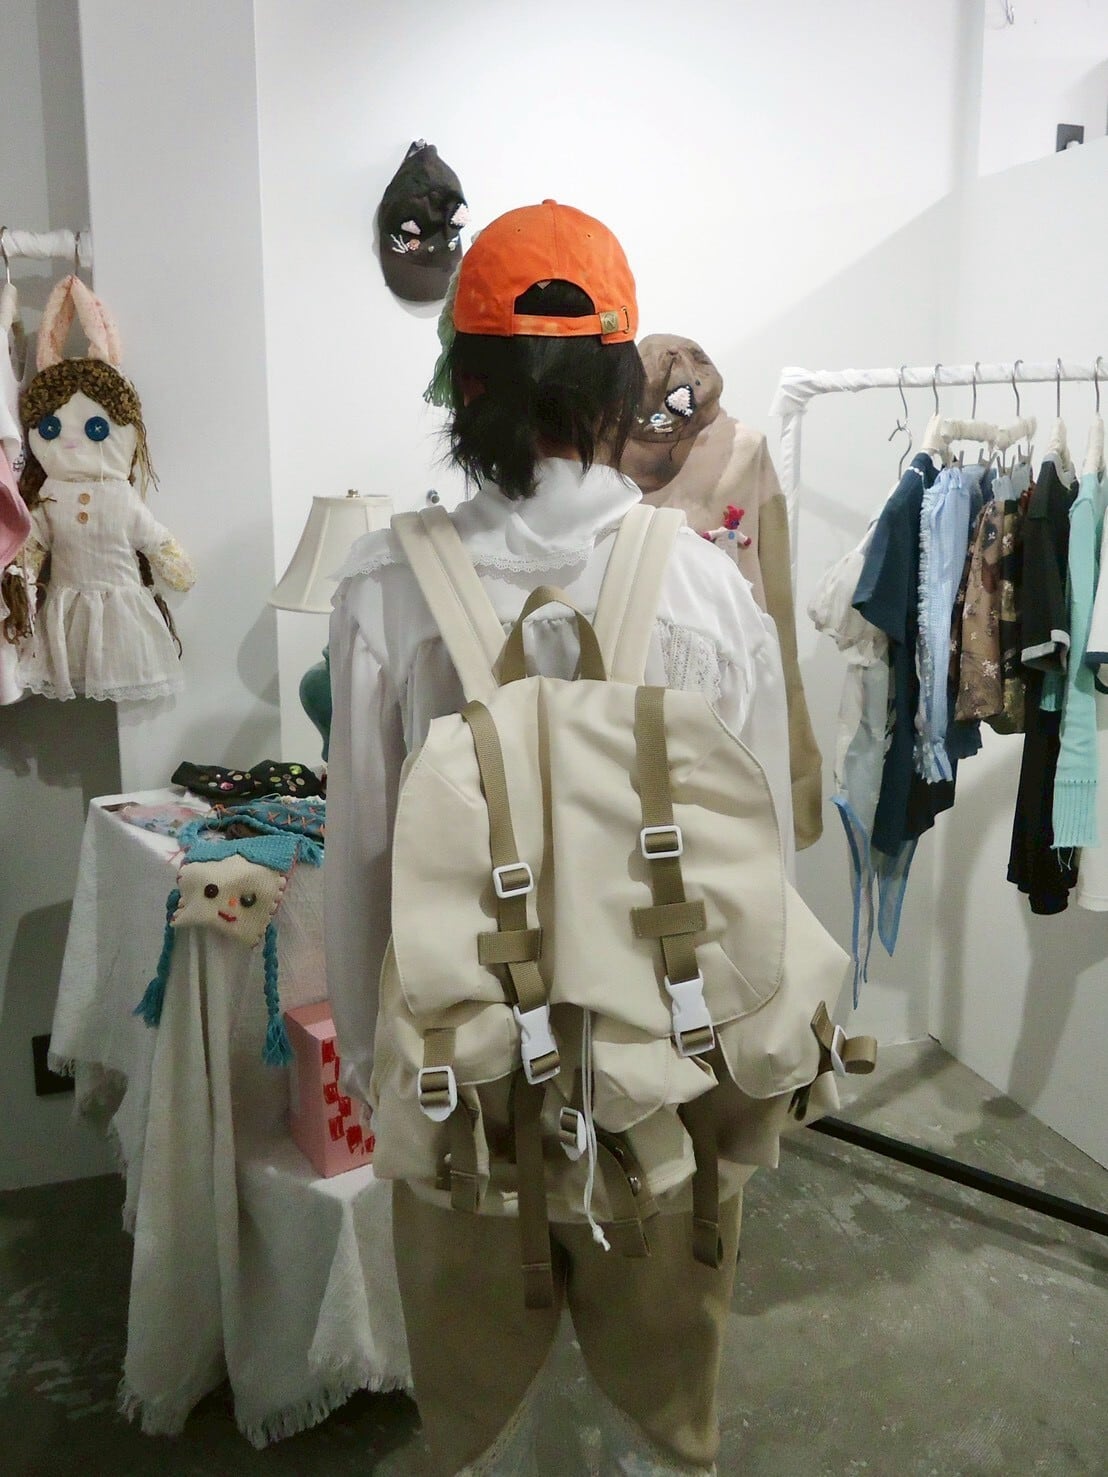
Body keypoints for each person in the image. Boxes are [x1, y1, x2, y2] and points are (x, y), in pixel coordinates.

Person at [326, 200, 794, 1476]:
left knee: (479, 1403)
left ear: (467, 385)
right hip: (665, 1067)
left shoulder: (385, 589)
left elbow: (362, 861)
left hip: (463, 1073)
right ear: (618, 383)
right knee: (660, 1406)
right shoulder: (704, 587)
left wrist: (375, 1070)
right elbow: (759, 863)